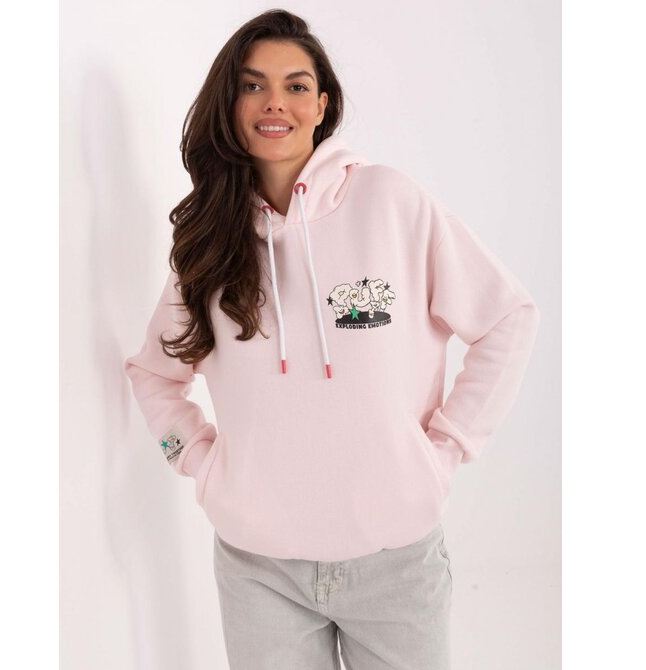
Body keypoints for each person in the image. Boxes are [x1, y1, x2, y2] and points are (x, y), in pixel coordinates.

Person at [123, 9, 541, 670]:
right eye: (253, 85)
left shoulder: (391, 203)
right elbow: (153, 372)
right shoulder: (211, 238)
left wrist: (447, 446)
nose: (274, 103)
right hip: (259, 571)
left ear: (321, 105)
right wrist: (195, 461)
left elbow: (507, 317)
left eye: (295, 86)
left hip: (395, 562)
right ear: (230, 103)